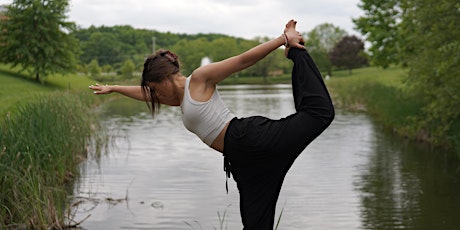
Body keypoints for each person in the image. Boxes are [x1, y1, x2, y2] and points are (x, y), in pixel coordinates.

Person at [89, 20, 334, 230]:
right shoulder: (179, 98)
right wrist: (114, 89)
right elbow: (145, 94)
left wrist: (283, 40)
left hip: (251, 139)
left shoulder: (200, 79)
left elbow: (242, 61)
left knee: (320, 113)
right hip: (242, 161)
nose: (153, 94)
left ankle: (295, 51)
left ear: (164, 78)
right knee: (256, 225)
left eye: (154, 87)